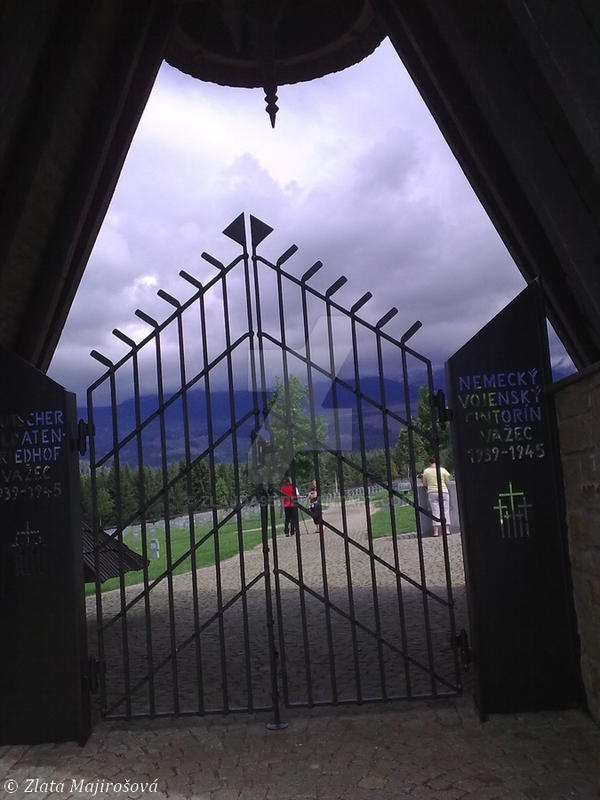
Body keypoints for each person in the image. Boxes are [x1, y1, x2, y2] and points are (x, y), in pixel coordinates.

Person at [422, 457, 451, 536]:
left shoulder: (426, 471)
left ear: (429, 462)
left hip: (432, 492)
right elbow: (447, 482)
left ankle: (436, 532)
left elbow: (424, 484)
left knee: (435, 512)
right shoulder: (443, 470)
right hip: (443, 491)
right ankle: (447, 530)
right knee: (445, 510)